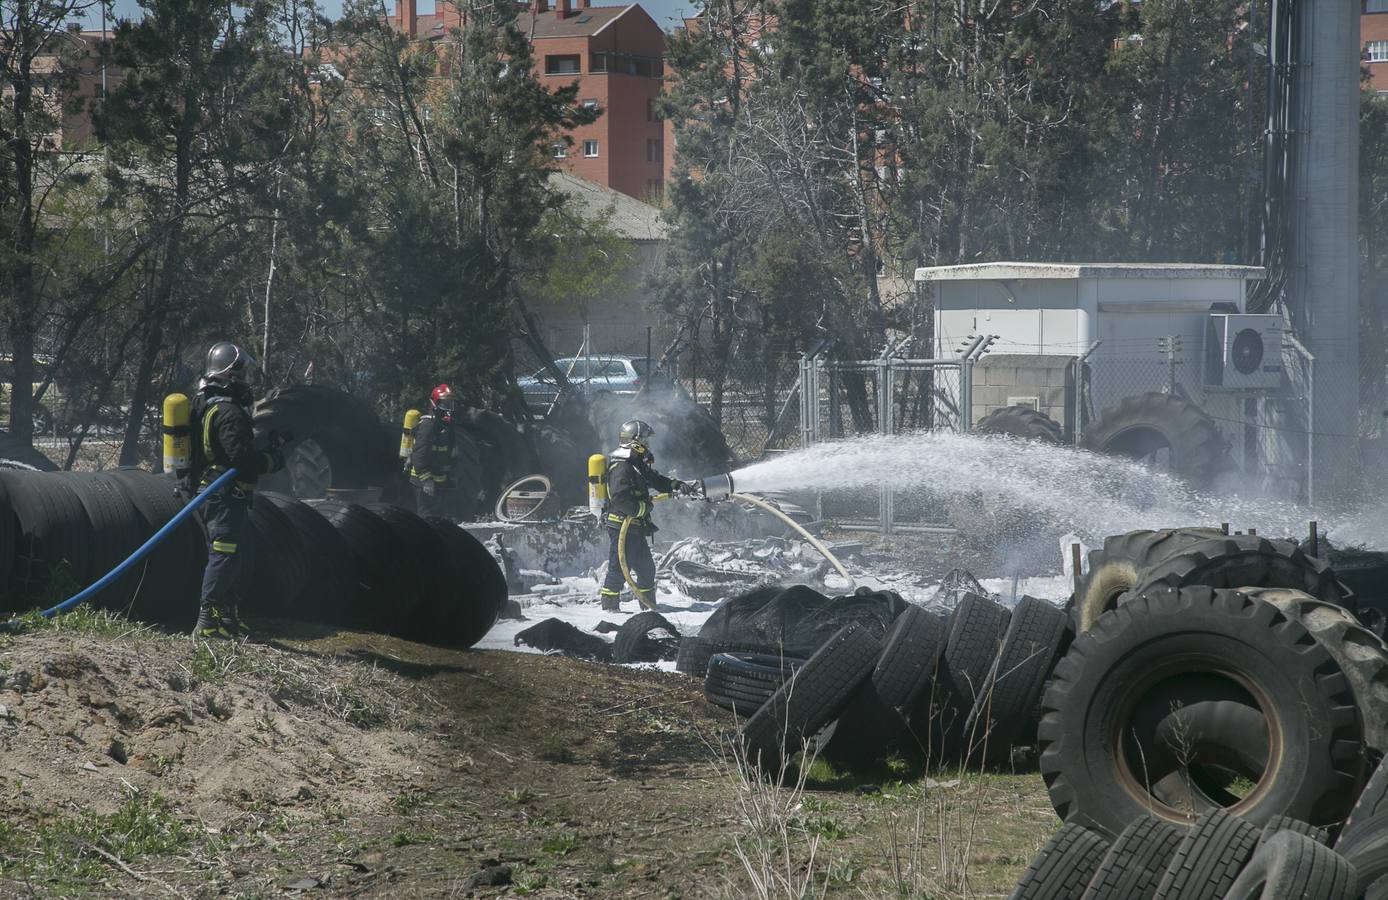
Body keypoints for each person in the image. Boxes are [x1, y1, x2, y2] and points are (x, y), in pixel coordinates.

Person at [187, 342, 285, 640]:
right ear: (231, 373)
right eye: (243, 373)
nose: (246, 380)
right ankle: (206, 622)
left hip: (223, 494)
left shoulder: (206, 402)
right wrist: (271, 461)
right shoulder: (228, 411)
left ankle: (226, 618)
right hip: (222, 494)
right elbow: (239, 458)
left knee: (236, 555)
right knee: (224, 554)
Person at [598, 419, 694, 612]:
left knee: (646, 569)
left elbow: (654, 479)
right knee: (619, 570)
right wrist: (644, 508)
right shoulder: (622, 468)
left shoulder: (635, 464)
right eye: (645, 441)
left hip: (634, 526)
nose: (647, 445)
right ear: (635, 442)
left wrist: (676, 485)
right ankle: (610, 609)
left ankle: (648, 606)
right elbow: (620, 499)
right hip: (622, 525)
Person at [409, 383, 457, 517]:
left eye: (450, 404)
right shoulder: (427, 426)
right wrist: (426, 480)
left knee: (438, 519)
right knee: (426, 519)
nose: (448, 409)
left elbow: (450, 456)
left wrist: (449, 478)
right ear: (434, 403)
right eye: (444, 404)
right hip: (423, 482)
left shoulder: (447, 427)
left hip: (439, 483)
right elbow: (419, 455)